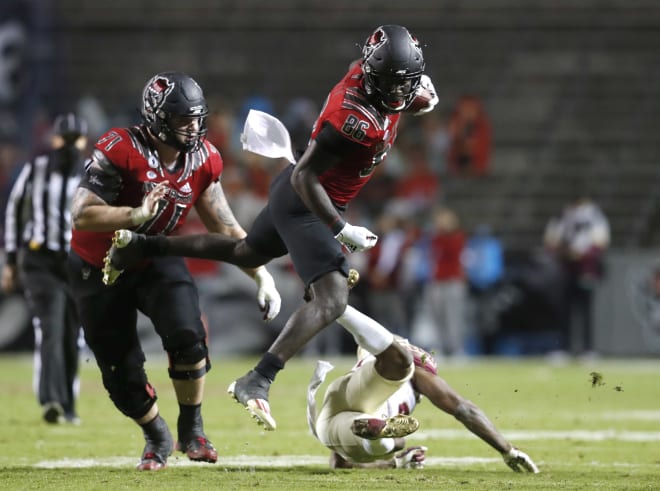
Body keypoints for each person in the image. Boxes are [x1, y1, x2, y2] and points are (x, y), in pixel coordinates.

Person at [103, 25, 439, 431]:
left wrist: (411, 98)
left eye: (407, 82)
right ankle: (257, 379)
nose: (402, 91)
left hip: (303, 196)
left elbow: (396, 92)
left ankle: (143, 246)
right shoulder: (352, 119)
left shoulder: (377, 83)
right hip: (307, 202)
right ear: (374, 78)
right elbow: (304, 178)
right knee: (331, 299)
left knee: (245, 253)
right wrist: (338, 227)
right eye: (395, 84)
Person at [66, 72, 282, 471]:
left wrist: (261, 275)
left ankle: (192, 427)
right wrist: (135, 214)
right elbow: (80, 214)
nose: (193, 128)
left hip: (153, 256)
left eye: (197, 118)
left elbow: (227, 228)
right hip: (96, 265)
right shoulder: (121, 148)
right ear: (156, 118)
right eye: (183, 119)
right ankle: (156, 435)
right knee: (119, 369)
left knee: (188, 335)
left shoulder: (203, 158)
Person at [306, 306, 539, 472]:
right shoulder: (415, 373)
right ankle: (380, 433)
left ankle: (378, 432)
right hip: (365, 403)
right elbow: (464, 410)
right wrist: (507, 449)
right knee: (391, 439)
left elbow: (340, 464)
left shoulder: (371, 361)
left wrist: (395, 464)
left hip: (333, 417)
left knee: (388, 439)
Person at [2, 113, 88, 424]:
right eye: (64, 138)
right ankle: (52, 399)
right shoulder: (35, 170)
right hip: (40, 260)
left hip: (76, 262)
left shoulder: (91, 174)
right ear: (54, 140)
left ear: (83, 141)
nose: (68, 145)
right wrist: (11, 260)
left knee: (72, 334)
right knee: (51, 327)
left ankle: (68, 403)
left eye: (73, 139)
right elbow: (14, 212)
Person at [543, 195, 610, 358]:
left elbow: (601, 242)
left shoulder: (595, 217)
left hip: (586, 269)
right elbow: (551, 241)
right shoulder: (562, 217)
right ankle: (564, 348)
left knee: (585, 310)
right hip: (567, 268)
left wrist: (583, 254)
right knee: (565, 310)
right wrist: (565, 252)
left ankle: (588, 349)